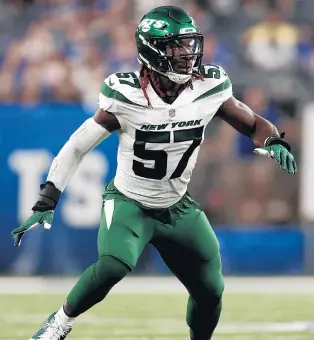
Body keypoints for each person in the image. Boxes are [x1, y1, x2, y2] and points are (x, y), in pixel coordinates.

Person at [11, 6, 297, 340]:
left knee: (211, 290)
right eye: (177, 46)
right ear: (153, 49)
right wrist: (47, 198)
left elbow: (252, 123)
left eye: (190, 44)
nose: (187, 55)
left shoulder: (209, 87)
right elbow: (77, 146)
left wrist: (273, 139)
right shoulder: (126, 94)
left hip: (177, 206)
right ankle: (58, 323)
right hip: (130, 202)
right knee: (114, 264)